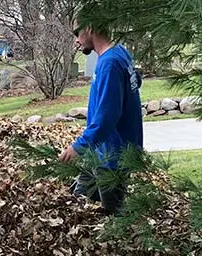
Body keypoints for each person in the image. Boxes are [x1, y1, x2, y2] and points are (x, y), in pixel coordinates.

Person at [59, 18, 144, 215]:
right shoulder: (119, 53)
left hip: (113, 156)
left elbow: (107, 117)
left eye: (76, 33)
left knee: (112, 215)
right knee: (77, 200)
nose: (76, 41)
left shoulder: (110, 64)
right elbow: (135, 82)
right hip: (99, 152)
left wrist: (78, 146)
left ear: (90, 28)